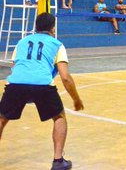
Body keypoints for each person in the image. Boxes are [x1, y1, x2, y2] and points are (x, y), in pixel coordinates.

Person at [0, 12, 84, 170]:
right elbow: (65, 77)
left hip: (16, 83)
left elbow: (15, 67)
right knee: (59, 117)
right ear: (53, 28)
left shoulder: (22, 42)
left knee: (2, 118)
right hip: (43, 84)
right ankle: (58, 161)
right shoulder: (57, 44)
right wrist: (76, 99)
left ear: (36, 27)